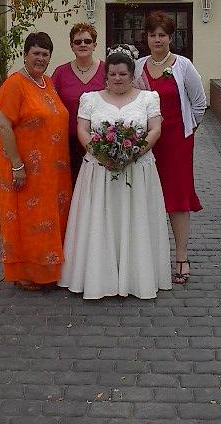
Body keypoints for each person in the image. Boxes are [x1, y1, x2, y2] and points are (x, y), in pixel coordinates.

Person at [58, 45, 172, 299]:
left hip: (137, 169)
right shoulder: (90, 99)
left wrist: (133, 152)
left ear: (132, 75)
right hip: (99, 170)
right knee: (99, 220)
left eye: (123, 74)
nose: (117, 78)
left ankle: (137, 277)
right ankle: (97, 277)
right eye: (112, 74)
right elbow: (83, 130)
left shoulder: (148, 98)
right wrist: (101, 154)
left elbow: (155, 129)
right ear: (106, 76)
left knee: (136, 219)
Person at [134, 11, 206, 285]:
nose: (157, 40)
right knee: (146, 196)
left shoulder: (183, 66)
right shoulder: (138, 66)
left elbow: (199, 103)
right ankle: (149, 259)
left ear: (170, 37)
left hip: (176, 141)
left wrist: (188, 130)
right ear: (146, 37)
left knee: (177, 198)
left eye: (162, 35)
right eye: (152, 35)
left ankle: (181, 257)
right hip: (146, 142)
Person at [0, 32, 72, 291]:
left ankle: (49, 270)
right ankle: (26, 271)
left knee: (48, 219)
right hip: (25, 169)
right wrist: (17, 164)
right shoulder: (15, 84)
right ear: (25, 54)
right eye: (36, 53)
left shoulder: (46, 83)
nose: (40, 58)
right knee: (29, 220)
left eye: (45, 54)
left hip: (52, 172)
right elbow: (3, 125)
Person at [52, 23, 106, 185]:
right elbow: (50, 104)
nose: (83, 44)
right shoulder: (60, 73)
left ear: (94, 45)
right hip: (68, 141)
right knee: (71, 185)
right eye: (78, 42)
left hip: (100, 140)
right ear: (71, 45)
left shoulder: (107, 71)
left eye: (87, 41)